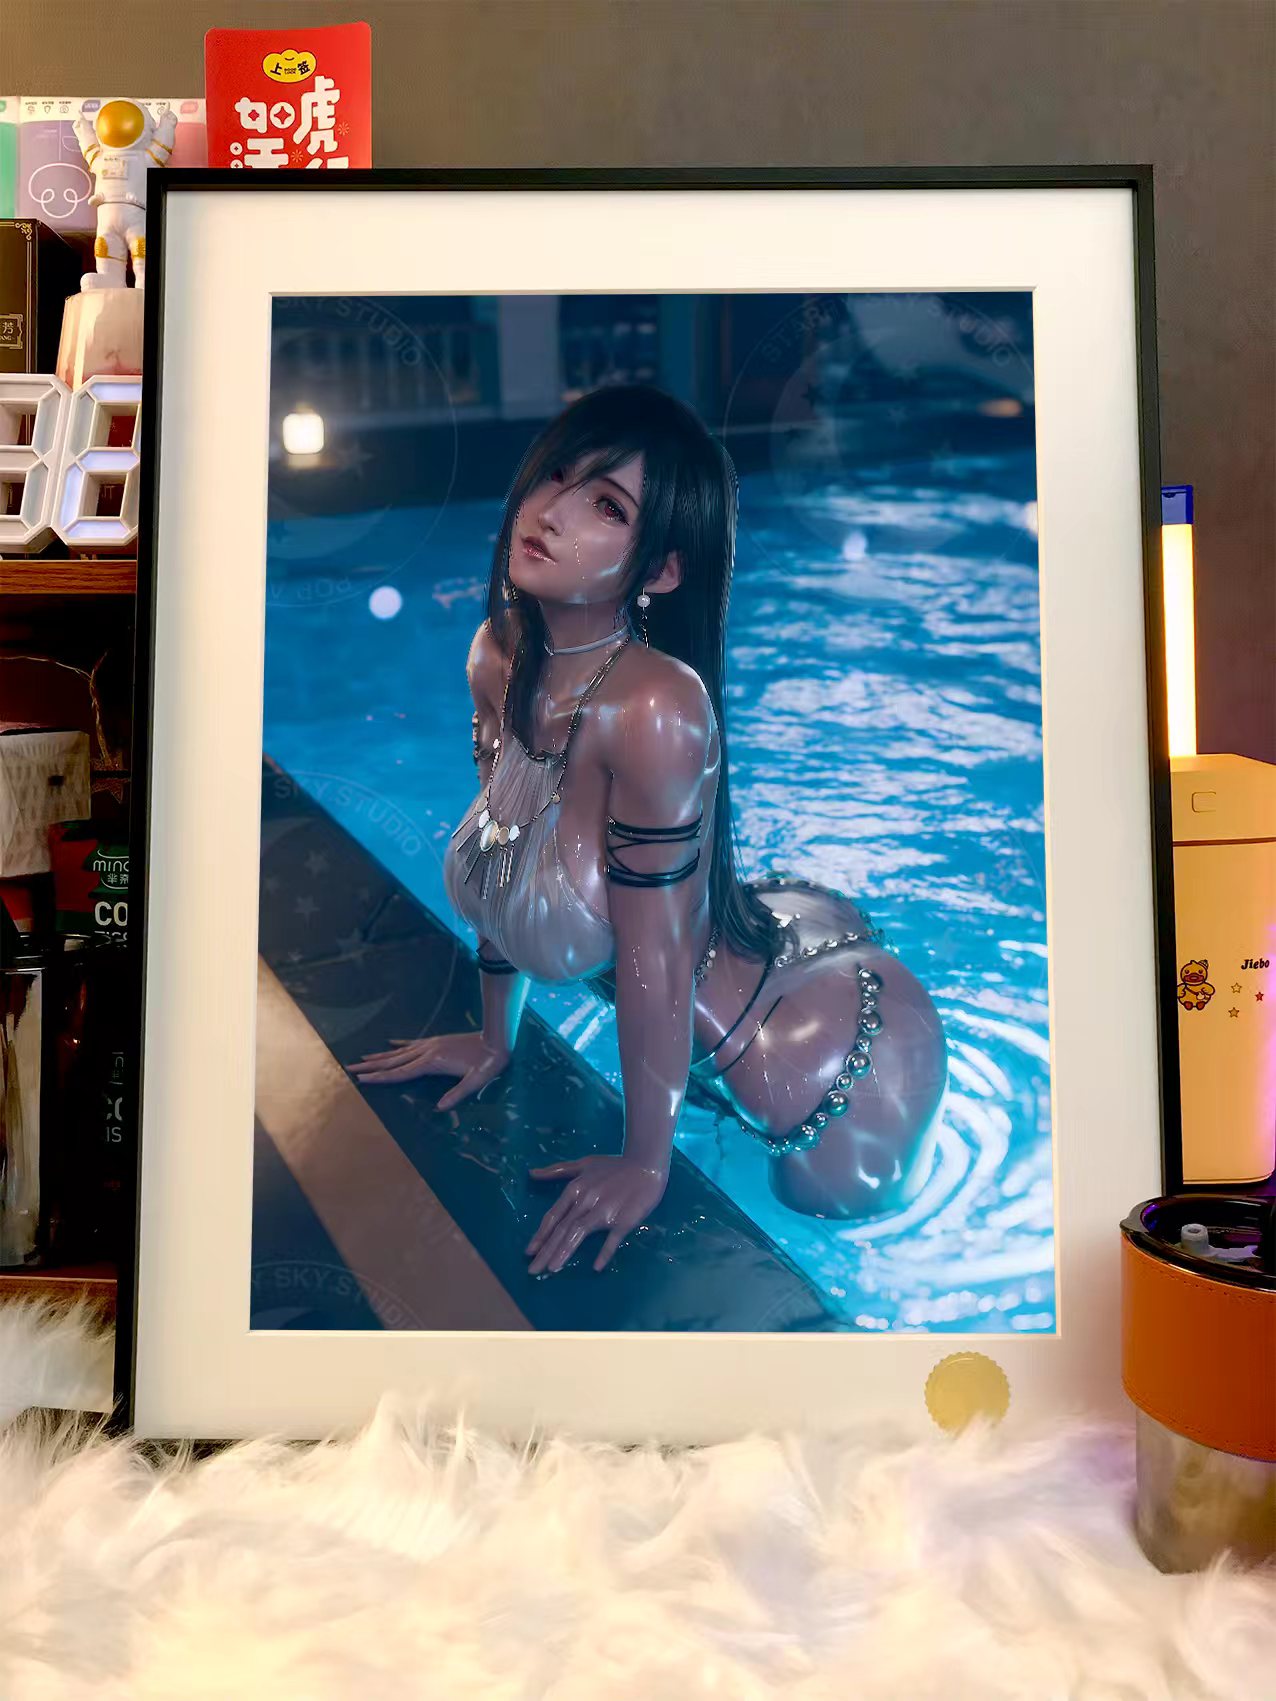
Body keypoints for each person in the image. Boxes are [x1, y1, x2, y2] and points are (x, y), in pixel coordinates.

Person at [350, 384, 948, 1275]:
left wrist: (644, 1162)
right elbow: (506, 853)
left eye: (605, 505)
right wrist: (495, 1037)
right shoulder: (498, 655)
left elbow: (656, 959)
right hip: (711, 1008)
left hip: (829, 1080)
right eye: (555, 476)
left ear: (662, 572)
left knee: (839, 1243)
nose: (549, 512)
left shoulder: (657, 709)